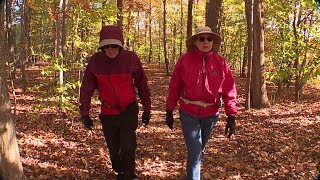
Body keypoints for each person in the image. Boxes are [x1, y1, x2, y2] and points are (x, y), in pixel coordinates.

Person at [165, 26, 238, 180]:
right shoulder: (184, 60)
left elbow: (229, 89)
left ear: (213, 42)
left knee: (199, 149)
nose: (206, 42)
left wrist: (231, 116)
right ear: (195, 42)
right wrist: (169, 109)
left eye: (209, 38)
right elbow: (175, 85)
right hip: (188, 112)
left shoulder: (221, 62)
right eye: (201, 38)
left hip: (211, 115)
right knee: (195, 151)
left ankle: (191, 173)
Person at [79, 25, 151, 180]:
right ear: (102, 47)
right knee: (113, 149)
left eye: (114, 46)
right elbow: (87, 88)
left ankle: (129, 174)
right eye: (106, 46)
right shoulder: (95, 61)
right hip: (108, 112)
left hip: (128, 110)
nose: (110, 50)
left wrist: (147, 109)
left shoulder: (130, 58)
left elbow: (142, 84)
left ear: (120, 45)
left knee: (128, 145)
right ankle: (120, 172)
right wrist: (84, 113)